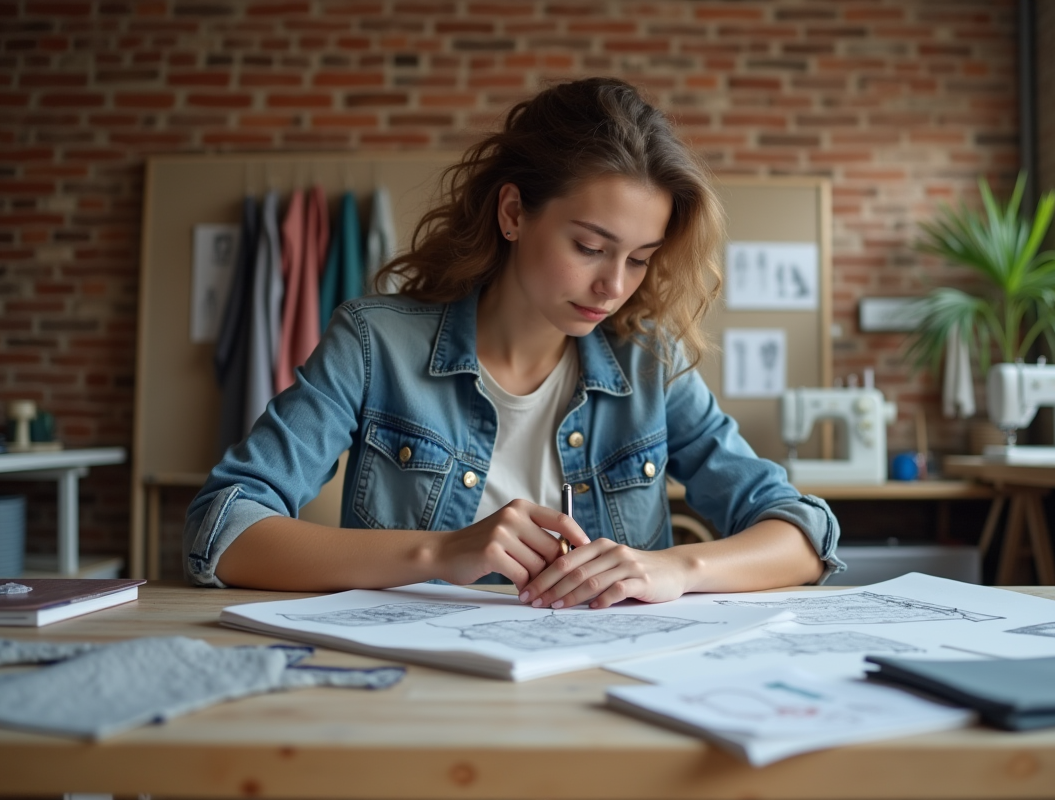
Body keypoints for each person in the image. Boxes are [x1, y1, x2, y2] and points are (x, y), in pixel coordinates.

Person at [184, 77, 843, 609]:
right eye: (589, 247)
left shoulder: (651, 364)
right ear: (513, 214)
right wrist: (441, 553)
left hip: (602, 691)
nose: (614, 285)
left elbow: (803, 533)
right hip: (417, 690)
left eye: (640, 258)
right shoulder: (373, 344)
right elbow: (225, 527)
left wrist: (673, 568)